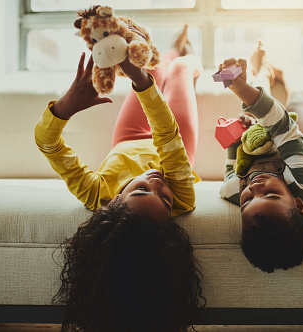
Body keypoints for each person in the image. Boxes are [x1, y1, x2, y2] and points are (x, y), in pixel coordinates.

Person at [35, 25, 206, 331]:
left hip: (126, 138)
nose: (156, 181)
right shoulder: (183, 197)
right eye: (164, 198)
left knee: (156, 64)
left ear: (114, 202)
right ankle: (190, 54)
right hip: (174, 139)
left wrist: (65, 108)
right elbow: (167, 135)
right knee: (180, 68)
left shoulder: (96, 193)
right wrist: (141, 82)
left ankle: (173, 45)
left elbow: (49, 145)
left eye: (141, 190)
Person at [219, 42, 303, 273]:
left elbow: (232, 172)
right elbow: (284, 127)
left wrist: (235, 139)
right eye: (270, 194)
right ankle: (286, 73)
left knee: (255, 121)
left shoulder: (234, 191)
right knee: (296, 104)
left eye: (247, 201)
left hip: (272, 157)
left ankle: (263, 74)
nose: (255, 187)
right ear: (298, 205)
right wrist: (241, 89)